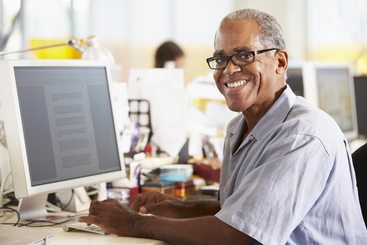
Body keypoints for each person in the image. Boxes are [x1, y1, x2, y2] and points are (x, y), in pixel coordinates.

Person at [78, 8, 367, 244]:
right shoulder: (237, 128)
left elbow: (237, 235)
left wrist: (132, 223)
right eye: (220, 58)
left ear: (280, 61)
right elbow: (243, 209)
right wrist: (178, 206)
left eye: (244, 55)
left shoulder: (303, 136)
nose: (228, 70)